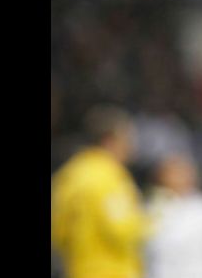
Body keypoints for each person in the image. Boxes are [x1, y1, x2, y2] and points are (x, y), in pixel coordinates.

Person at [51, 104, 148, 278]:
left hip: (76, 270)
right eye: (128, 138)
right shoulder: (110, 176)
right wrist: (151, 219)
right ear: (111, 140)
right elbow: (122, 230)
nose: (132, 146)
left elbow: (57, 231)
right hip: (113, 271)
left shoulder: (68, 174)